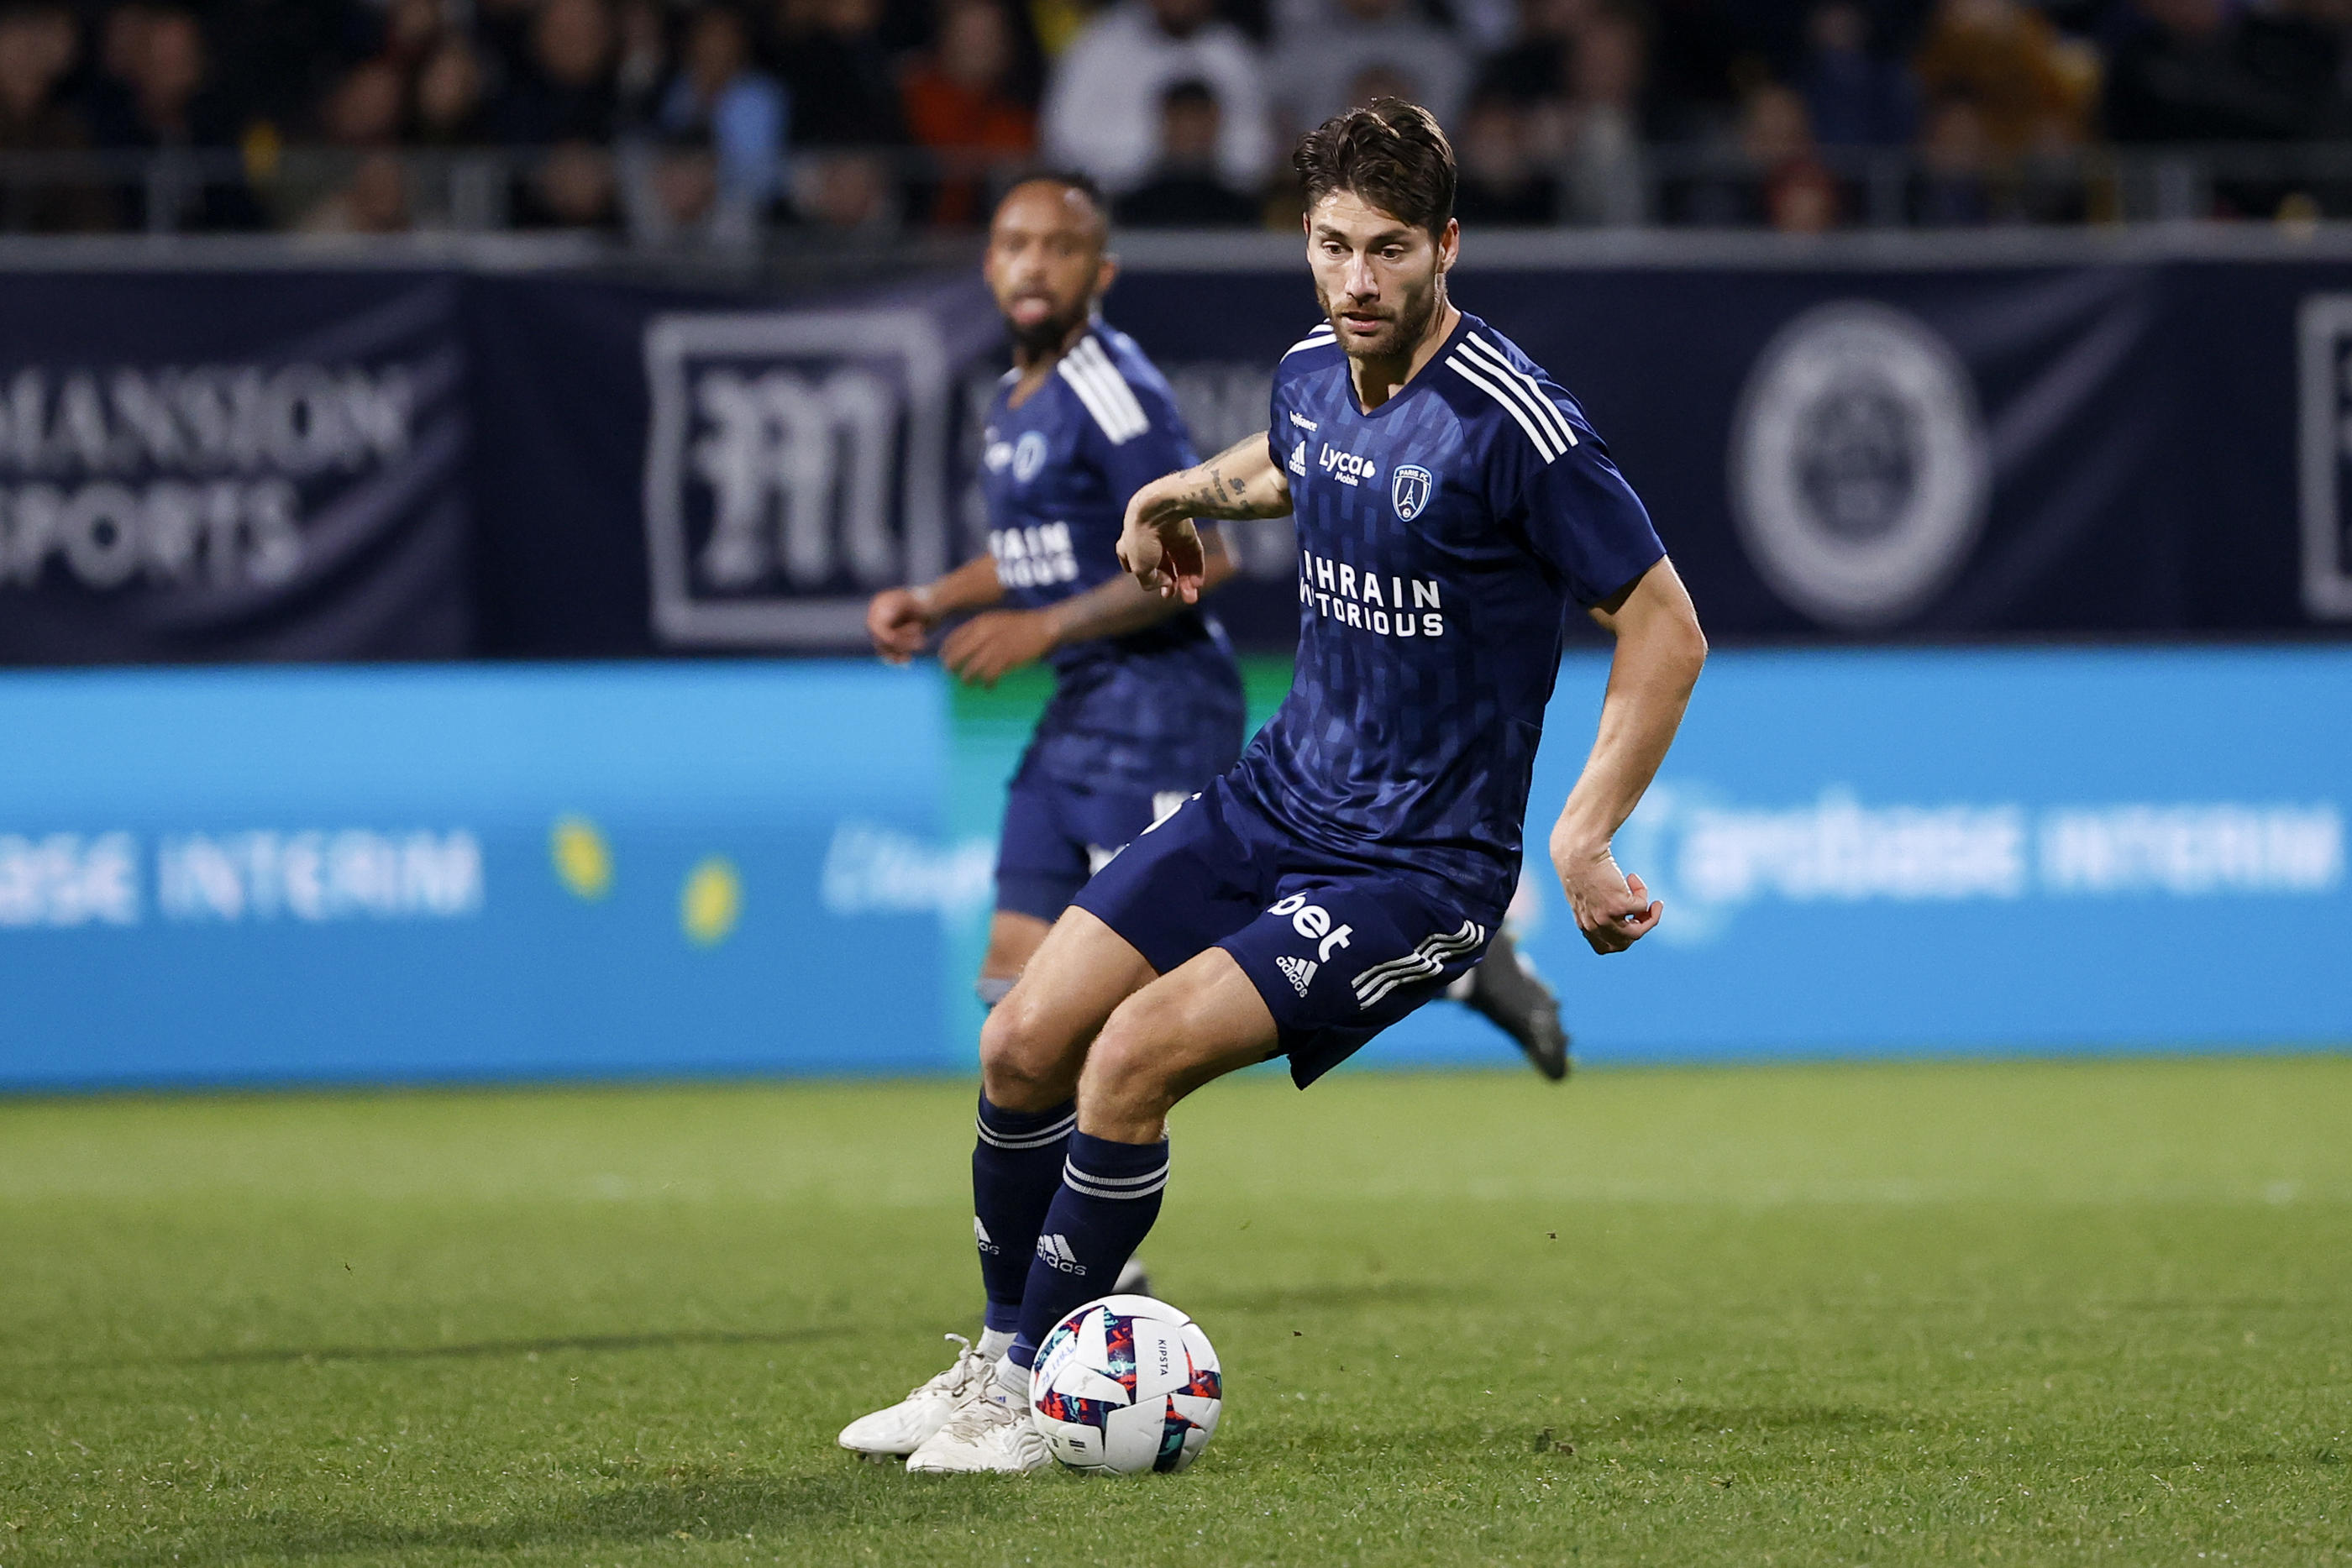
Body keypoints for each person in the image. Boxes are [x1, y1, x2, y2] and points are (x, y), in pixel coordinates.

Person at [844, 99, 1704, 1476]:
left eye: (1390, 252)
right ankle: (995, 1370)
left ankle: (1039, 1413)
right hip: (1275, 796)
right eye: (1333, 247)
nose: (1359, 282)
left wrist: (1587, 832)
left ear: (1447, 249)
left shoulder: (1515, 426)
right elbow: (1291, 460)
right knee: (1021, 1046)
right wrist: (1181, 489)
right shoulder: (1313, 368)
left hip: (1414, 869)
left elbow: (1666, 625)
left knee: (1127, 1060)